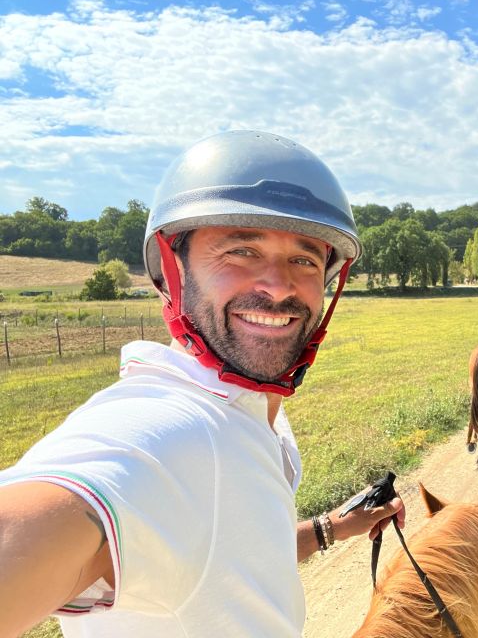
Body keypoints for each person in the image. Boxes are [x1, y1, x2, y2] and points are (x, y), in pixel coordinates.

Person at [0, 131, 405, 638]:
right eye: (240, 250)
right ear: (171, 273)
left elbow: (230, 560)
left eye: (304, 259)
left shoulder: (247, 415)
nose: (278, 285)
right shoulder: (164, 431)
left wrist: (327, 532)